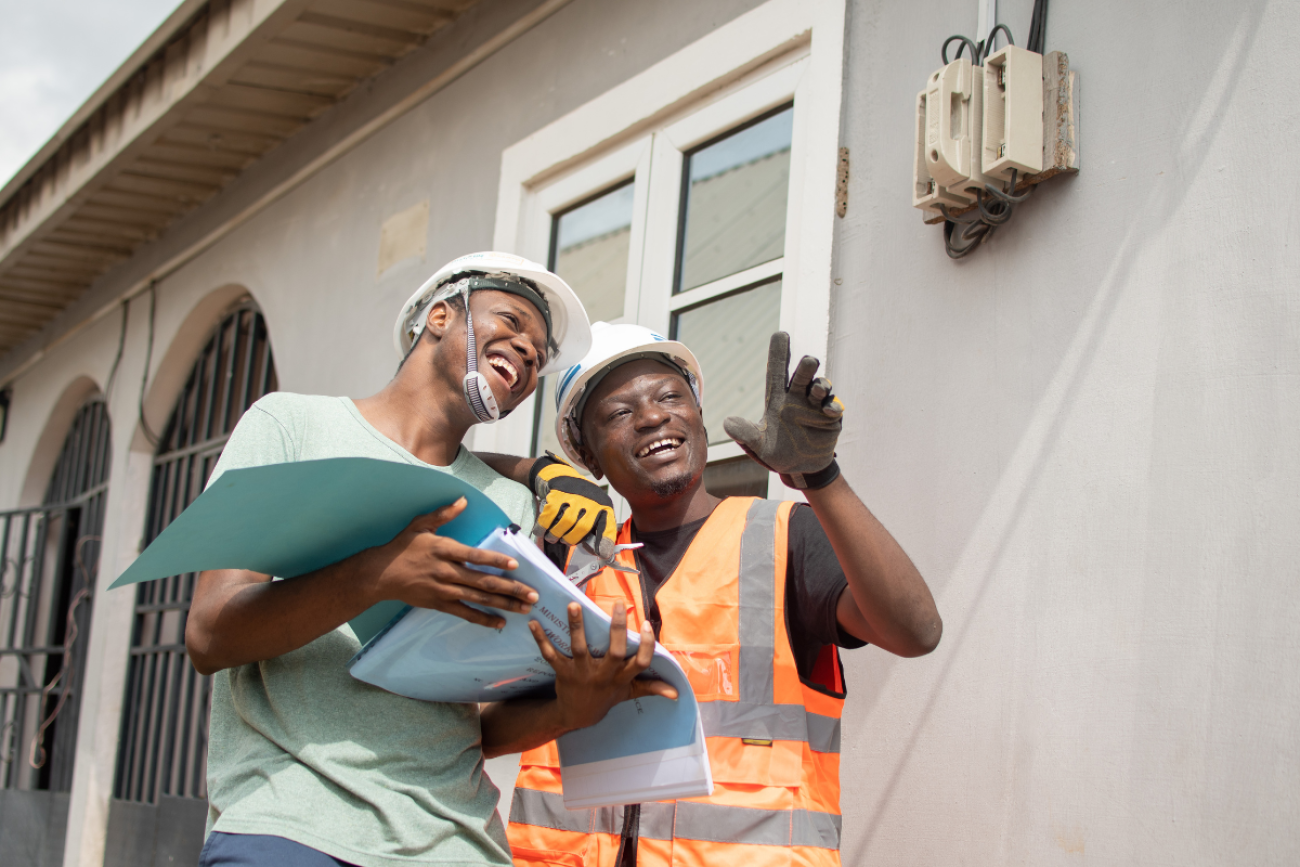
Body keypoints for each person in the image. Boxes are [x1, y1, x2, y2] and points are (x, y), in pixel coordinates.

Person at [185, 253, 671, 867]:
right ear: (440, 315)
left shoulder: (513, 503)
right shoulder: (291, 427)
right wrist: (374, 577)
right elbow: (209, 635)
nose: (526, 351)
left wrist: (573, 708)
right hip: (292, 827)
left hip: (458, 844)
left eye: (539, 353)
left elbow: (475, 722)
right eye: (512, 321)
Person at [478, 323, 942, 867]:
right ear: (590, 459)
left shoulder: (784, 537)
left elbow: (916, 632)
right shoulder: (566, 564)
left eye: (670, 396)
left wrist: (821, 475)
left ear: (697, 415)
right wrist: (539, 471)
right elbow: (430, 467)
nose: (652, 416)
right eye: (619, 414)